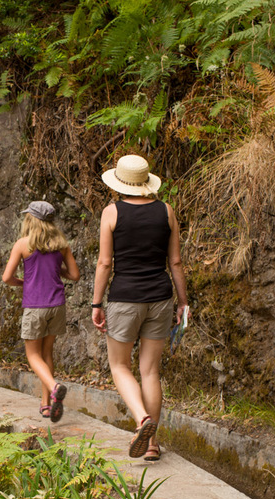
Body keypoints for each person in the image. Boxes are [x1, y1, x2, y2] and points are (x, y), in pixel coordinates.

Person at [92, 155, 188, 460]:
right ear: (146, 182)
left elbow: (105, 263)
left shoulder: (111, 213)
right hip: (160, 298)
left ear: (119, 183)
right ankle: (152, 444)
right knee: (150, 370)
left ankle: (141, 419)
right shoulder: (166, 211)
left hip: (124, 298)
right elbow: (175, 262)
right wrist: (183, 301)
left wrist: (96, 303)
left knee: (120, 366)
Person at [2, 201, 80, 422]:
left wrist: (22, 282)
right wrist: (57, 269)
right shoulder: (61, 245)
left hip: (35, 305)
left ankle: (54, 388)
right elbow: (75, 275)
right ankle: (46, 404)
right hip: (57, 305)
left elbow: (7, 277)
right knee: (47, 353)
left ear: (31, 219)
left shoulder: (22, 245)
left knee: (33, 355)